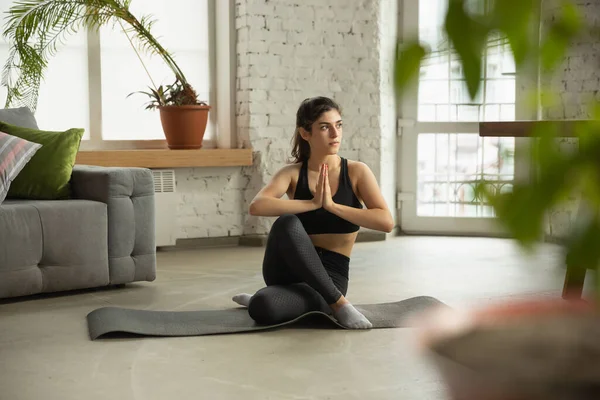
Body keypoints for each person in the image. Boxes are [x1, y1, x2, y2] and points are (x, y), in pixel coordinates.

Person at [232, 96, 394, 329]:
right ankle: (339, 305)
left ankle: (319, 299)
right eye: (325, 127)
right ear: (305, 133)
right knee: (287, 223)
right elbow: (257, 206)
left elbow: (386, 222)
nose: (335, 134)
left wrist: (332, 206)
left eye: (338, 125)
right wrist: (312, 204)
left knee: (262, 307)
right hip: (287, 270)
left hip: (332, 276)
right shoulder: (292, 173)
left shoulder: (357, 172)